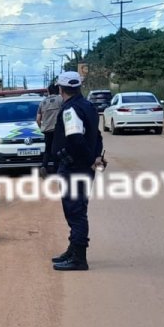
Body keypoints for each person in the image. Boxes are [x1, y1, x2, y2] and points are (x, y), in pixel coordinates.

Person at [48, 71, 101, 271]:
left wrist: (86, 160)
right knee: (78, 209)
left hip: (75, 168)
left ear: (60, 89)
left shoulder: (70, 110)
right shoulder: (88, 106)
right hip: (83, 167)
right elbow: (97, 135)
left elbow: (76, 138)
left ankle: (79, 258)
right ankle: (73, 250)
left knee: (75, 212)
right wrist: (94, 158)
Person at [37, 82, 64, 172]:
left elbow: (38, 119)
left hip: (46, 130)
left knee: (48, 150)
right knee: (57, 150)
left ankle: (44, 166)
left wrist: (42, 127)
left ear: (48, 91)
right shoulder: (61, 100)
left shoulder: (42, 102)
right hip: (58, 130)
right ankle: (56, 169)